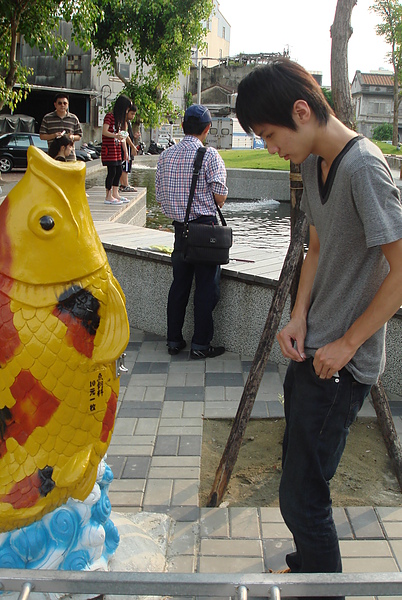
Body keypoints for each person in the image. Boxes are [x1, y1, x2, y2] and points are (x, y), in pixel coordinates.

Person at [235, 58, 402, 588]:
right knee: (297, 475)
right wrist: (298, 316)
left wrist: (350, 344)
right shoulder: (313, 162)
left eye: (269, 134)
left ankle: (323, 583)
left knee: (304, 495)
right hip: (314, 346)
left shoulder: (364, 168)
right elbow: (318, 244)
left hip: (341, 363)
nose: (269, 147)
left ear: (301, 111)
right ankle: (309, 566)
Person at [155, 104, 228, 359]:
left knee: (179, 286)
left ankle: (174, 340)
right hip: (205, 231)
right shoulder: (209, 156)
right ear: (207, 129)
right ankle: (200, 345)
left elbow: (161, 198)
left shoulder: (165, 156)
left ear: (183, 126)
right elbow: (220, 197)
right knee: (207, 288)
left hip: (180, 231)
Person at [101, 95, 133, 205]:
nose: (127, 111)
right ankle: (108, 195)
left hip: (116, 149)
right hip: (109, 149)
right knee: (112, 172)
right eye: (127, 108)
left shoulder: (120, 120)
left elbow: (123, 137)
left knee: (119, 170)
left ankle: (115, 193)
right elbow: (104, 131)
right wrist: (115, 136)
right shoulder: (109, 116)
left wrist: (126, 152)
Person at [40, 93, 82, 161]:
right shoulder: (47, 118)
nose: (62, 105)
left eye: (65, 103)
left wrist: (72, 137)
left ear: (68, 104)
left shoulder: (73, 118)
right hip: (53, 157)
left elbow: (79, 136)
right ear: (55, 104)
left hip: (70, 156)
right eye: (60, 103)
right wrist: (54, 135)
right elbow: (42, 136)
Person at [119, 104, 139, 193]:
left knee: (125, 165)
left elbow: (128, 135)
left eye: (134, 114)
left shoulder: (128, 122)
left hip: (127, 147)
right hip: (125, 148)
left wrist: (134, 136)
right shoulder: (124, 122)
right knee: (125, 166)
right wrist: (132, 146)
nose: (133, 116)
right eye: (131, 114)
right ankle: (125, 184)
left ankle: (123, 184)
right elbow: (125, 135)